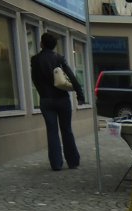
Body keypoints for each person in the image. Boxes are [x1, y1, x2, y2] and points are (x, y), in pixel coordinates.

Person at [29, 32, 85, 171]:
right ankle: (73, 161)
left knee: (52, 131)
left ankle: (56, 163)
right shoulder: (59, 58)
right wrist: (80, 95)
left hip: (46, 100)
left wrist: (42, 93)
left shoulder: (35, 60)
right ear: (54, 45)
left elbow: (34, 79)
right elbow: (71, 76)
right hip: (62, 99)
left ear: (42, 44)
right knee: (67, 130)